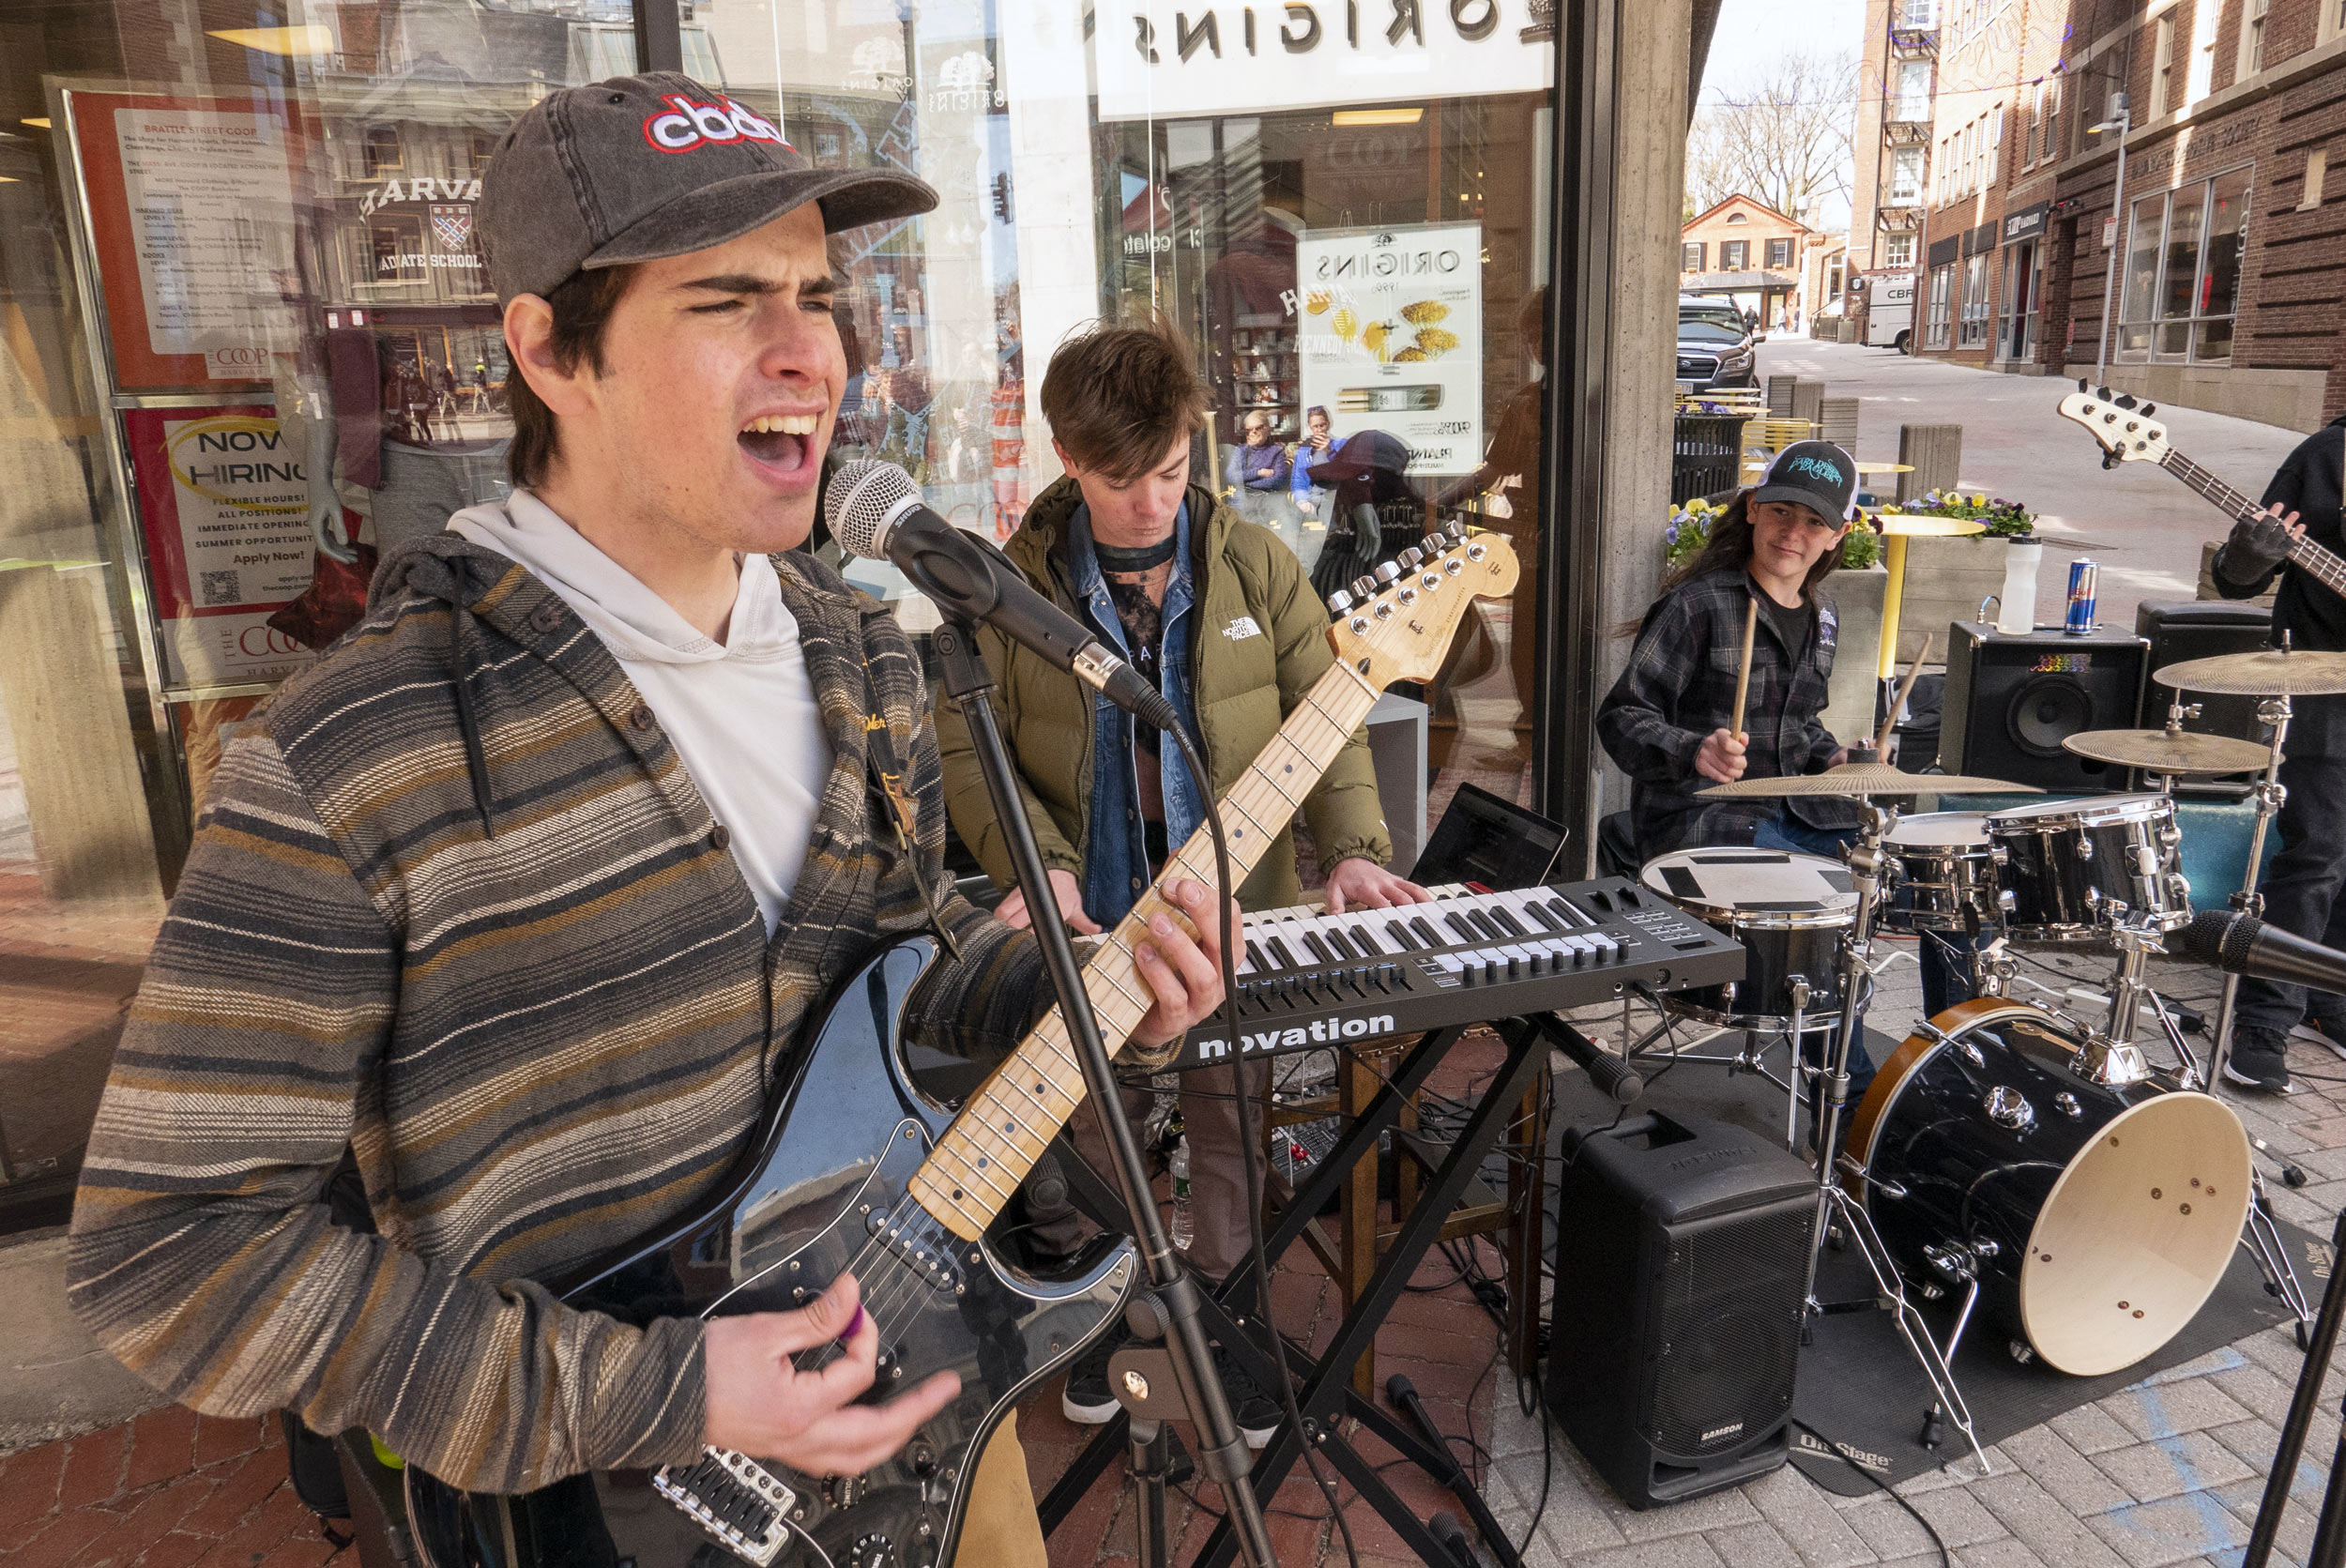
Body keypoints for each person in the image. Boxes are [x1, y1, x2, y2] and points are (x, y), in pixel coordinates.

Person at [64, 73, 1234, 1564]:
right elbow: (167, 1254)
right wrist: (668, 1389)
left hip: (918, 1404)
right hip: (601, 1513)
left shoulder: (866, 648)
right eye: (727, 298)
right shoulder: (360, 749)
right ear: (551, 350)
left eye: (816, 289)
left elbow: (902, 989)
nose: (811, 347)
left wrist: (1090, 983)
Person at [935, 317, 1429, 1440]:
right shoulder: (1008, 593)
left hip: (1232, 908)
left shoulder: (1254, 560)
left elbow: (1331, 709)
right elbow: (972, 752)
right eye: (1121, 481)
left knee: (1229, 1126)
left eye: (1169, 472)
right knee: (1101, 1135)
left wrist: (1353, 850)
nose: (1152, 501)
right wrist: (1040, 871)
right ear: (1066, 457)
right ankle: (1120, 1335)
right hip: (1091, 908)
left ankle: (1225, 1331)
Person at [1597, 441, 1878, 1107]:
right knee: (1827, 915)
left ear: (1837, 534)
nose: (1793, 532)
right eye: (1782, 511)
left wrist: (1837, 759)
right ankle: (1850, 1092)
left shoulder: (1824, 617)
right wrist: (1694, 749)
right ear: (1753, 510)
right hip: (1704, 821)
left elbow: (1801, 729)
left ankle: (1945, 1055)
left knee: (1912, 883)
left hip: (1794, 817)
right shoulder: (1698, 606)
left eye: (1813, 522)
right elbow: (1620, 717)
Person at [2208, 414, 2338, 1092]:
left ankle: (2329, 998)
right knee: (2317, 855)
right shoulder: (2325, 459)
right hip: (2322, 689)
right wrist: (2257, 552)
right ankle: (2263, 1024)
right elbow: (2234, 578)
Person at [1222, 407, 1292, 530]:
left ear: (1267, 428)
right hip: (1244, 500)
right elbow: (1231, 476)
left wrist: (1245, 482)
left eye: (1257, 428)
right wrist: (1259, 472)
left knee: (1285, 524)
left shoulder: (1277, 451)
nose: (1252, 432)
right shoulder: (1241, 451)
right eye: (1249, 430)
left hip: (1268, 498)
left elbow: (1278, 480)